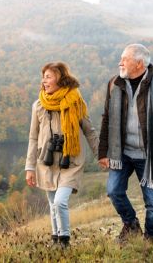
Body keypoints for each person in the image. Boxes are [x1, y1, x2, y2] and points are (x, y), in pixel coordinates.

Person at [98, 43, 153, 243]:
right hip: (123, 153)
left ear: (139, 64)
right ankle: (131, 225)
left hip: (151, 156)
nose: (120, 62)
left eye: (124, 59)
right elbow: (107, 119)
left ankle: (150, 240)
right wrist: (103, 152)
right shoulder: (114, 84)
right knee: (114, 191)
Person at [25, 62, 99, 248]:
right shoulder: (39, 105)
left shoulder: (76, 103)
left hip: (70, 161)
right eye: (43, 77)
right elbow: (33, 138)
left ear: (60, 79)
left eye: (48, 77)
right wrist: (29, 167)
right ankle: (56, 239)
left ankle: (64, 241)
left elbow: (89, 131)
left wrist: (100, 155)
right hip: (46, 161)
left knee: (59, 202)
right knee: (52, 203)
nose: (44, 81)